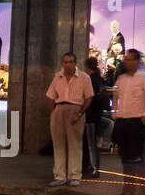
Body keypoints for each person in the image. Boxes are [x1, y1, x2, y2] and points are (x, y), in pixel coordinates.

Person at [112, 49, 145, 195]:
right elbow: (116, 97)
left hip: (137, 121)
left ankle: (143, 189)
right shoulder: (122, 79)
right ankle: (128, 189)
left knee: (137, 157)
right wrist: (116, 115)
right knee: (125, 157)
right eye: (126, 59)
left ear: (137, 61)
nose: (127, 62)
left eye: (130, 59)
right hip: (123, 121)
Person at [45, 52, 93, 187]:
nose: (68, 64)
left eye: (71, 62)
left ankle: (74, 175)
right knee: (58, 144)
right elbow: (51, 96)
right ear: (62, 63)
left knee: (75, 144)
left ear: (75, 63)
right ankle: (60, 175)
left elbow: (89, 97)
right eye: (65, 62)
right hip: (59, 108)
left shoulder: (84, 78)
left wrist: (80, 113)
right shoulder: (57, 77)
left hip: (75, 108)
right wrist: (53, 112)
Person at [81, 55, 108, 180]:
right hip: (98, 114)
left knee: (91, 144)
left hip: (90, 115)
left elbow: (87, 98)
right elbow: (104, 99)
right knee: (93, 143)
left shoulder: (89, 80)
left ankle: (93, 168)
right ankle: (91, 167)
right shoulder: (100, 80)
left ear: (87, 67)